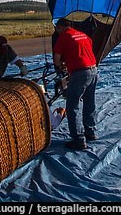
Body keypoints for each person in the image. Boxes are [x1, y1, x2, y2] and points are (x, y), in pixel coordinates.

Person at [52, 18, 98, 150]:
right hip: (94, 70)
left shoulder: (64, 36)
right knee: (89, 103)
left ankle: (78, 140)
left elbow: (57, 59)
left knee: (72, 107)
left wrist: (60, 66)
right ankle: (90, 132)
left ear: (60, 27)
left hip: (80, 73)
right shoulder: (83, 35)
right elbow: (82, 52)